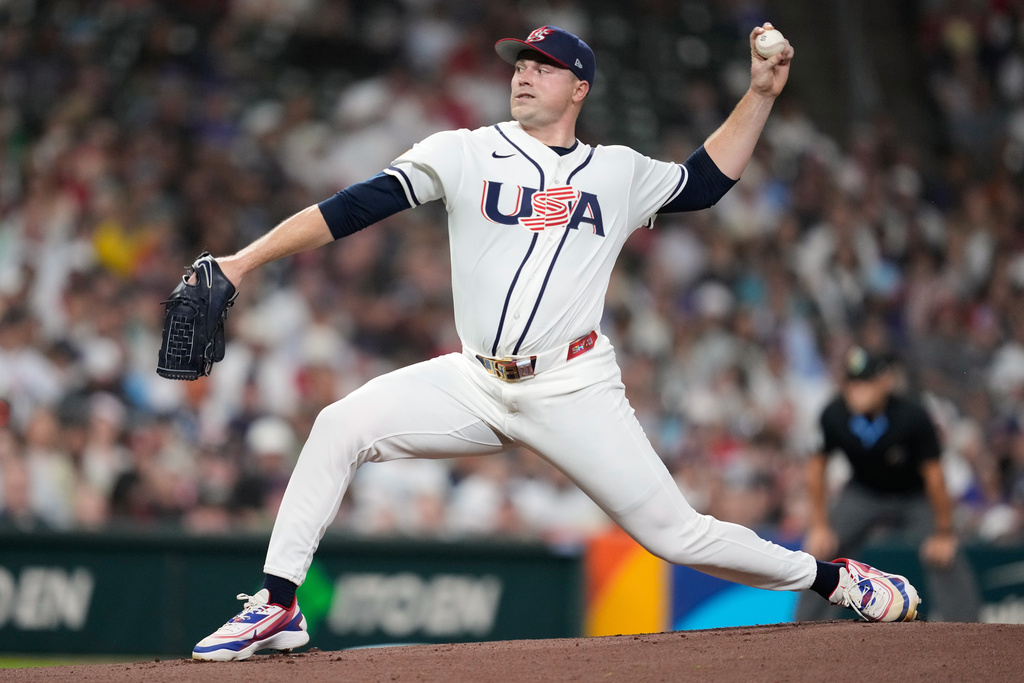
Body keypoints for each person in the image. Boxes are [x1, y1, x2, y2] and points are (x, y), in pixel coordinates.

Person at [190, 24, 921, 661]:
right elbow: (353, 207)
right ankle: (278, 604)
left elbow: (703, 183)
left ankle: (836, 579)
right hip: (475, 380)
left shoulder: (618, 171)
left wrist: (759, 94)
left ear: (580, 89)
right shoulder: (464, 151)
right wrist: (243, 262)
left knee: (678, 535)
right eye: (520, 63)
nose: (524, 73)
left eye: (543, 66)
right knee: (337, 424)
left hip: (572, 386)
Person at [795, 346, 980, 622]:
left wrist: (943, 531)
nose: (858, 390)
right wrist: (819, 525)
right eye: (853, 383)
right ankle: (804, 627)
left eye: (866, 382)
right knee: (823, 551)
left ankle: (967, 629)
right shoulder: (834, 414)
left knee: (944, 553)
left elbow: (935, 477)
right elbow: (815, 468)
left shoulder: (912, 415)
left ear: (885, 381)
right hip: (863, 492)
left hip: (913, 496)